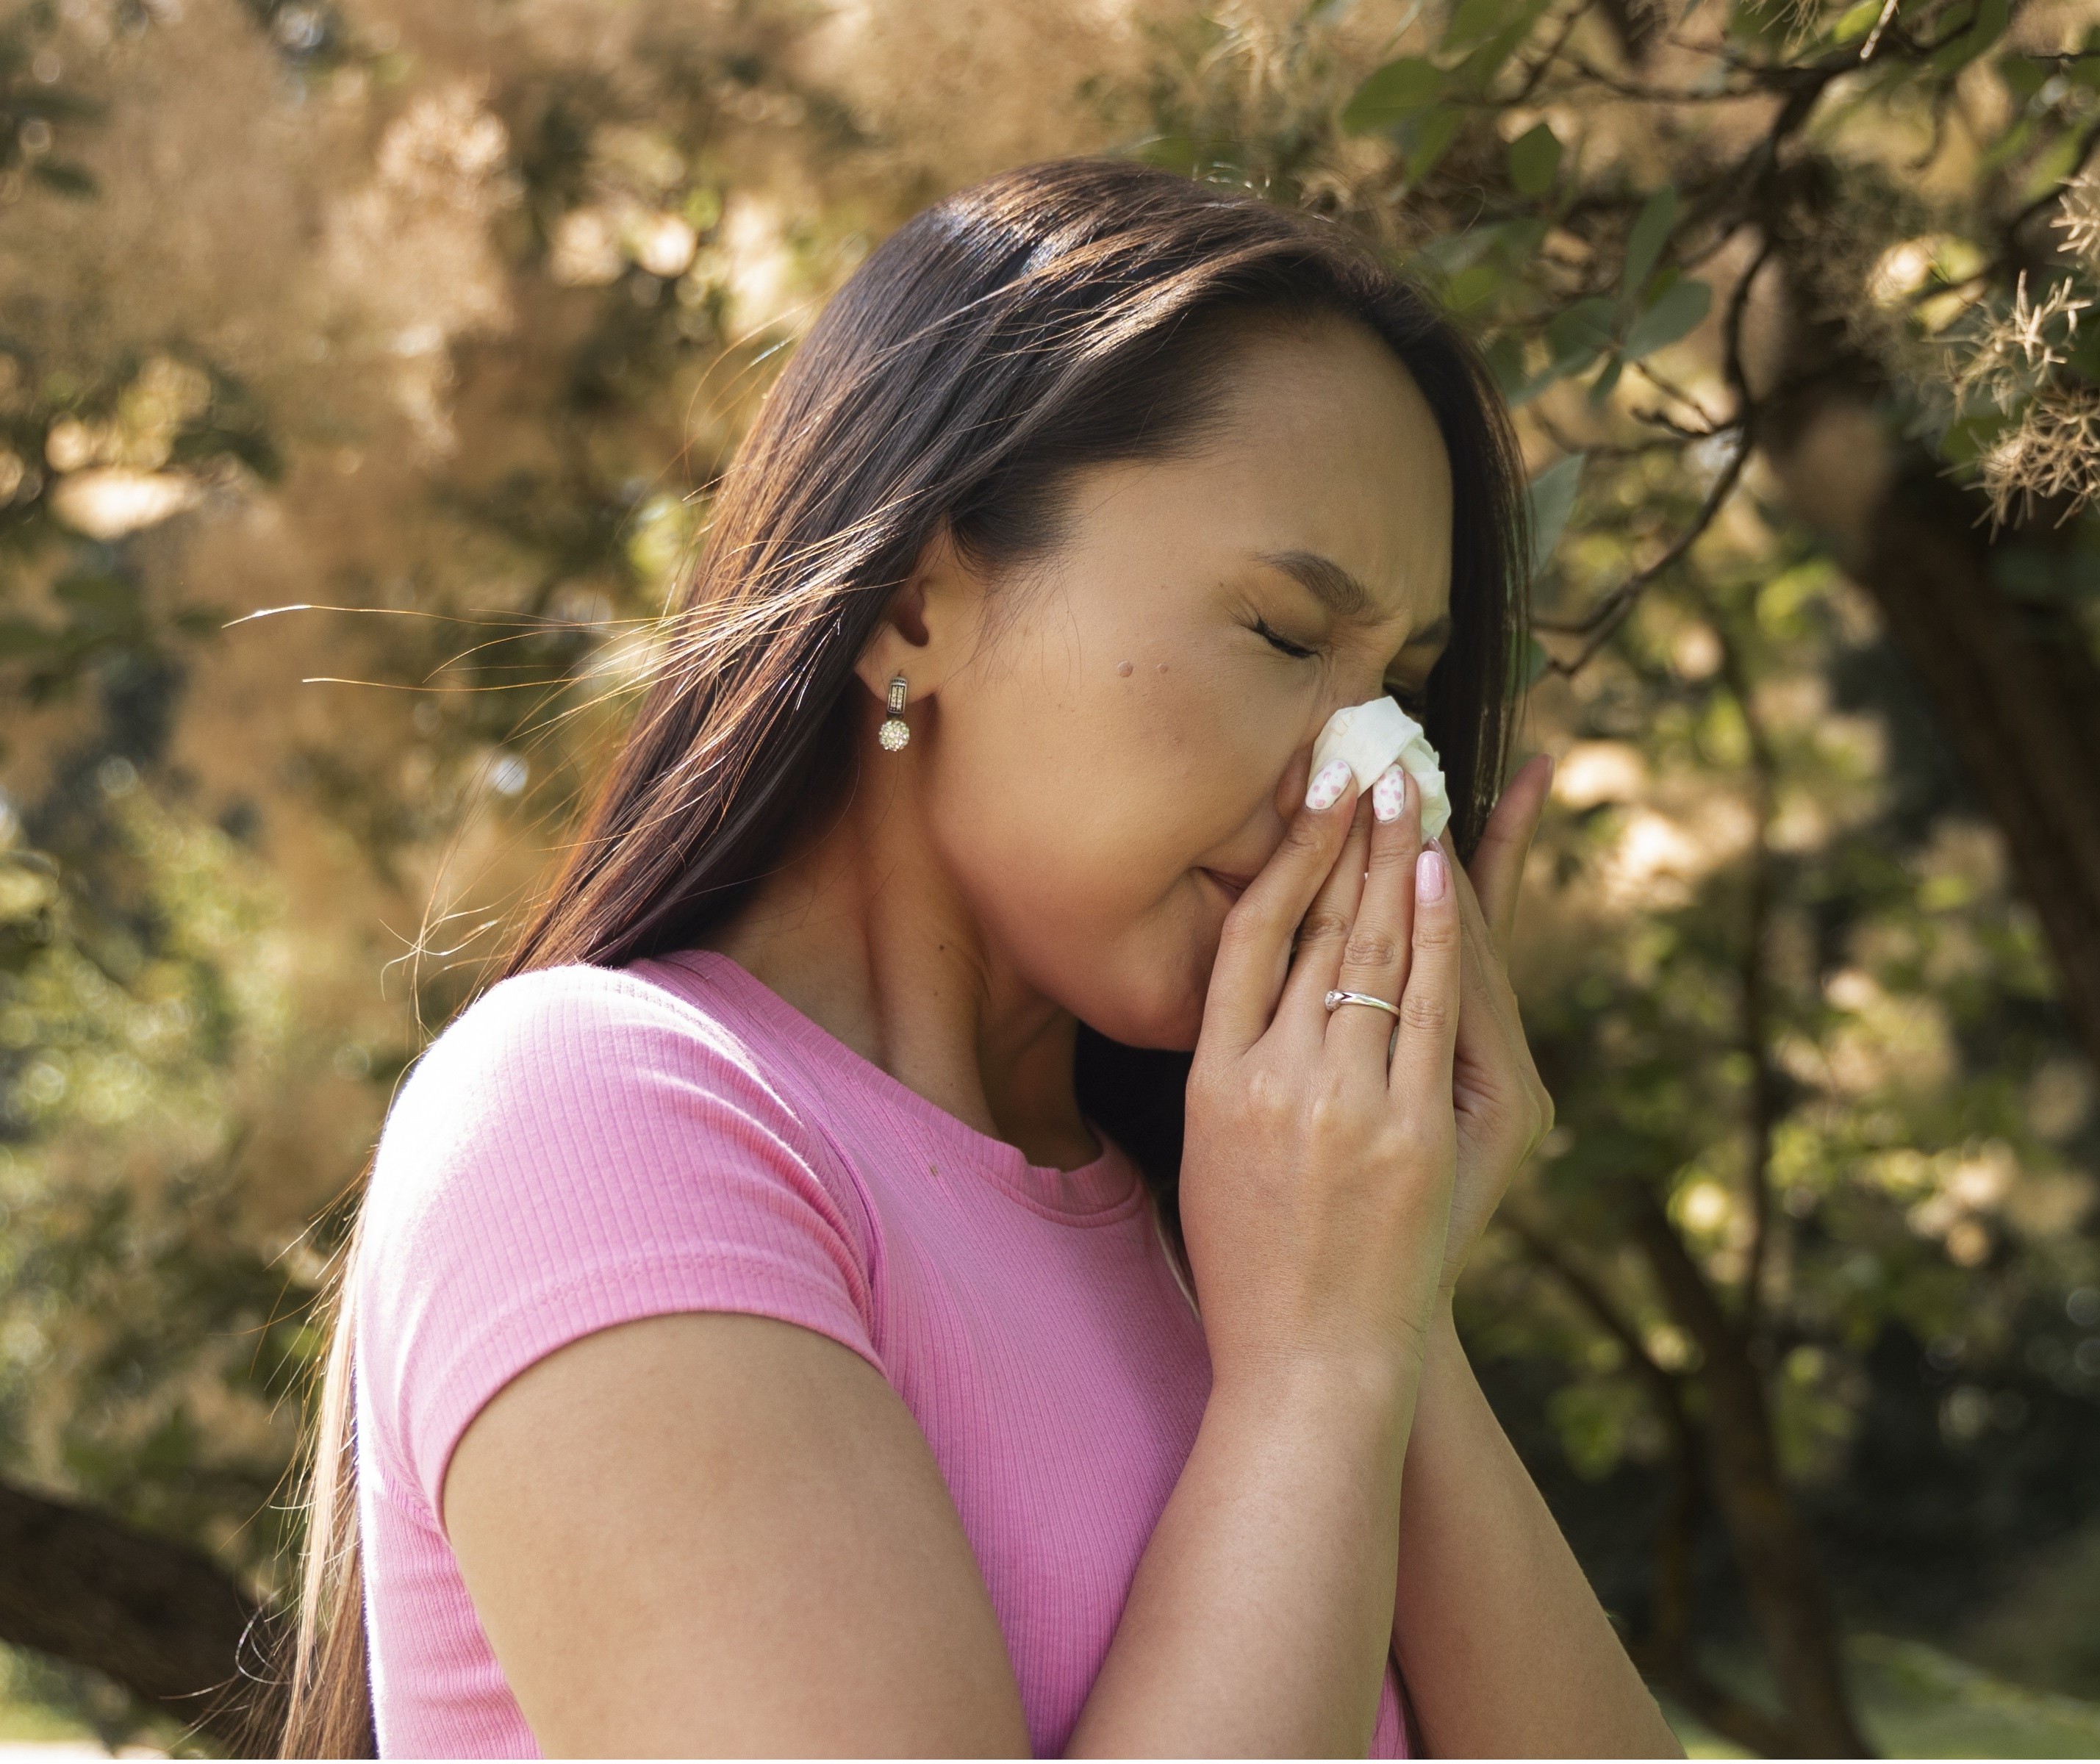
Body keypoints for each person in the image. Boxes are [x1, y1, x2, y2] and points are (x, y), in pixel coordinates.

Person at [279, 157, 1685, 1758]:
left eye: (1402, 690)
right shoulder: (601, 1121)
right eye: (1289, 639)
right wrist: (1312, 1374)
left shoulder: (1240, 1239)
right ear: (913, 603)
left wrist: (1388, 1296)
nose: (1369, 778)